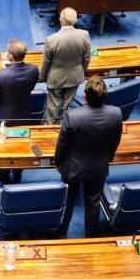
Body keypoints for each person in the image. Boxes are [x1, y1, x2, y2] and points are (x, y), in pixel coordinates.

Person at [54, 75, 122, 237]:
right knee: (93, 202)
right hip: (99, 166)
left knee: (68, 202)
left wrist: (58, 162)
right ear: (105, 95)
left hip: (73, 167)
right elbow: (115, 141)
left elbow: (62, 143)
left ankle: (61, 234)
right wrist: (109, 157)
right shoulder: (116, 113)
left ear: (85, 96)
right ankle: (91, 235)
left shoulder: (73, 116)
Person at [0, 39, 40, 182]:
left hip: (4, 118)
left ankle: (4, 174)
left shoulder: (1, 75)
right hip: (25, 115)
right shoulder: (34, 69)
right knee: (21, 142)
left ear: (10, 56)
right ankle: (18, 171)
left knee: (5, 145)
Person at [40, 7, 91, 123]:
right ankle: (66, 127)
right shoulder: (85, 35)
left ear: (60, 19)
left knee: (52, 107)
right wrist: (80, 70)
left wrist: (42, 77)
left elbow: (46, 61)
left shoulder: (51, 40)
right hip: (75, 76)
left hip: (55, 79)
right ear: (75, 21)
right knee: (68, 106)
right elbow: (87, 57)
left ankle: (50, 128)